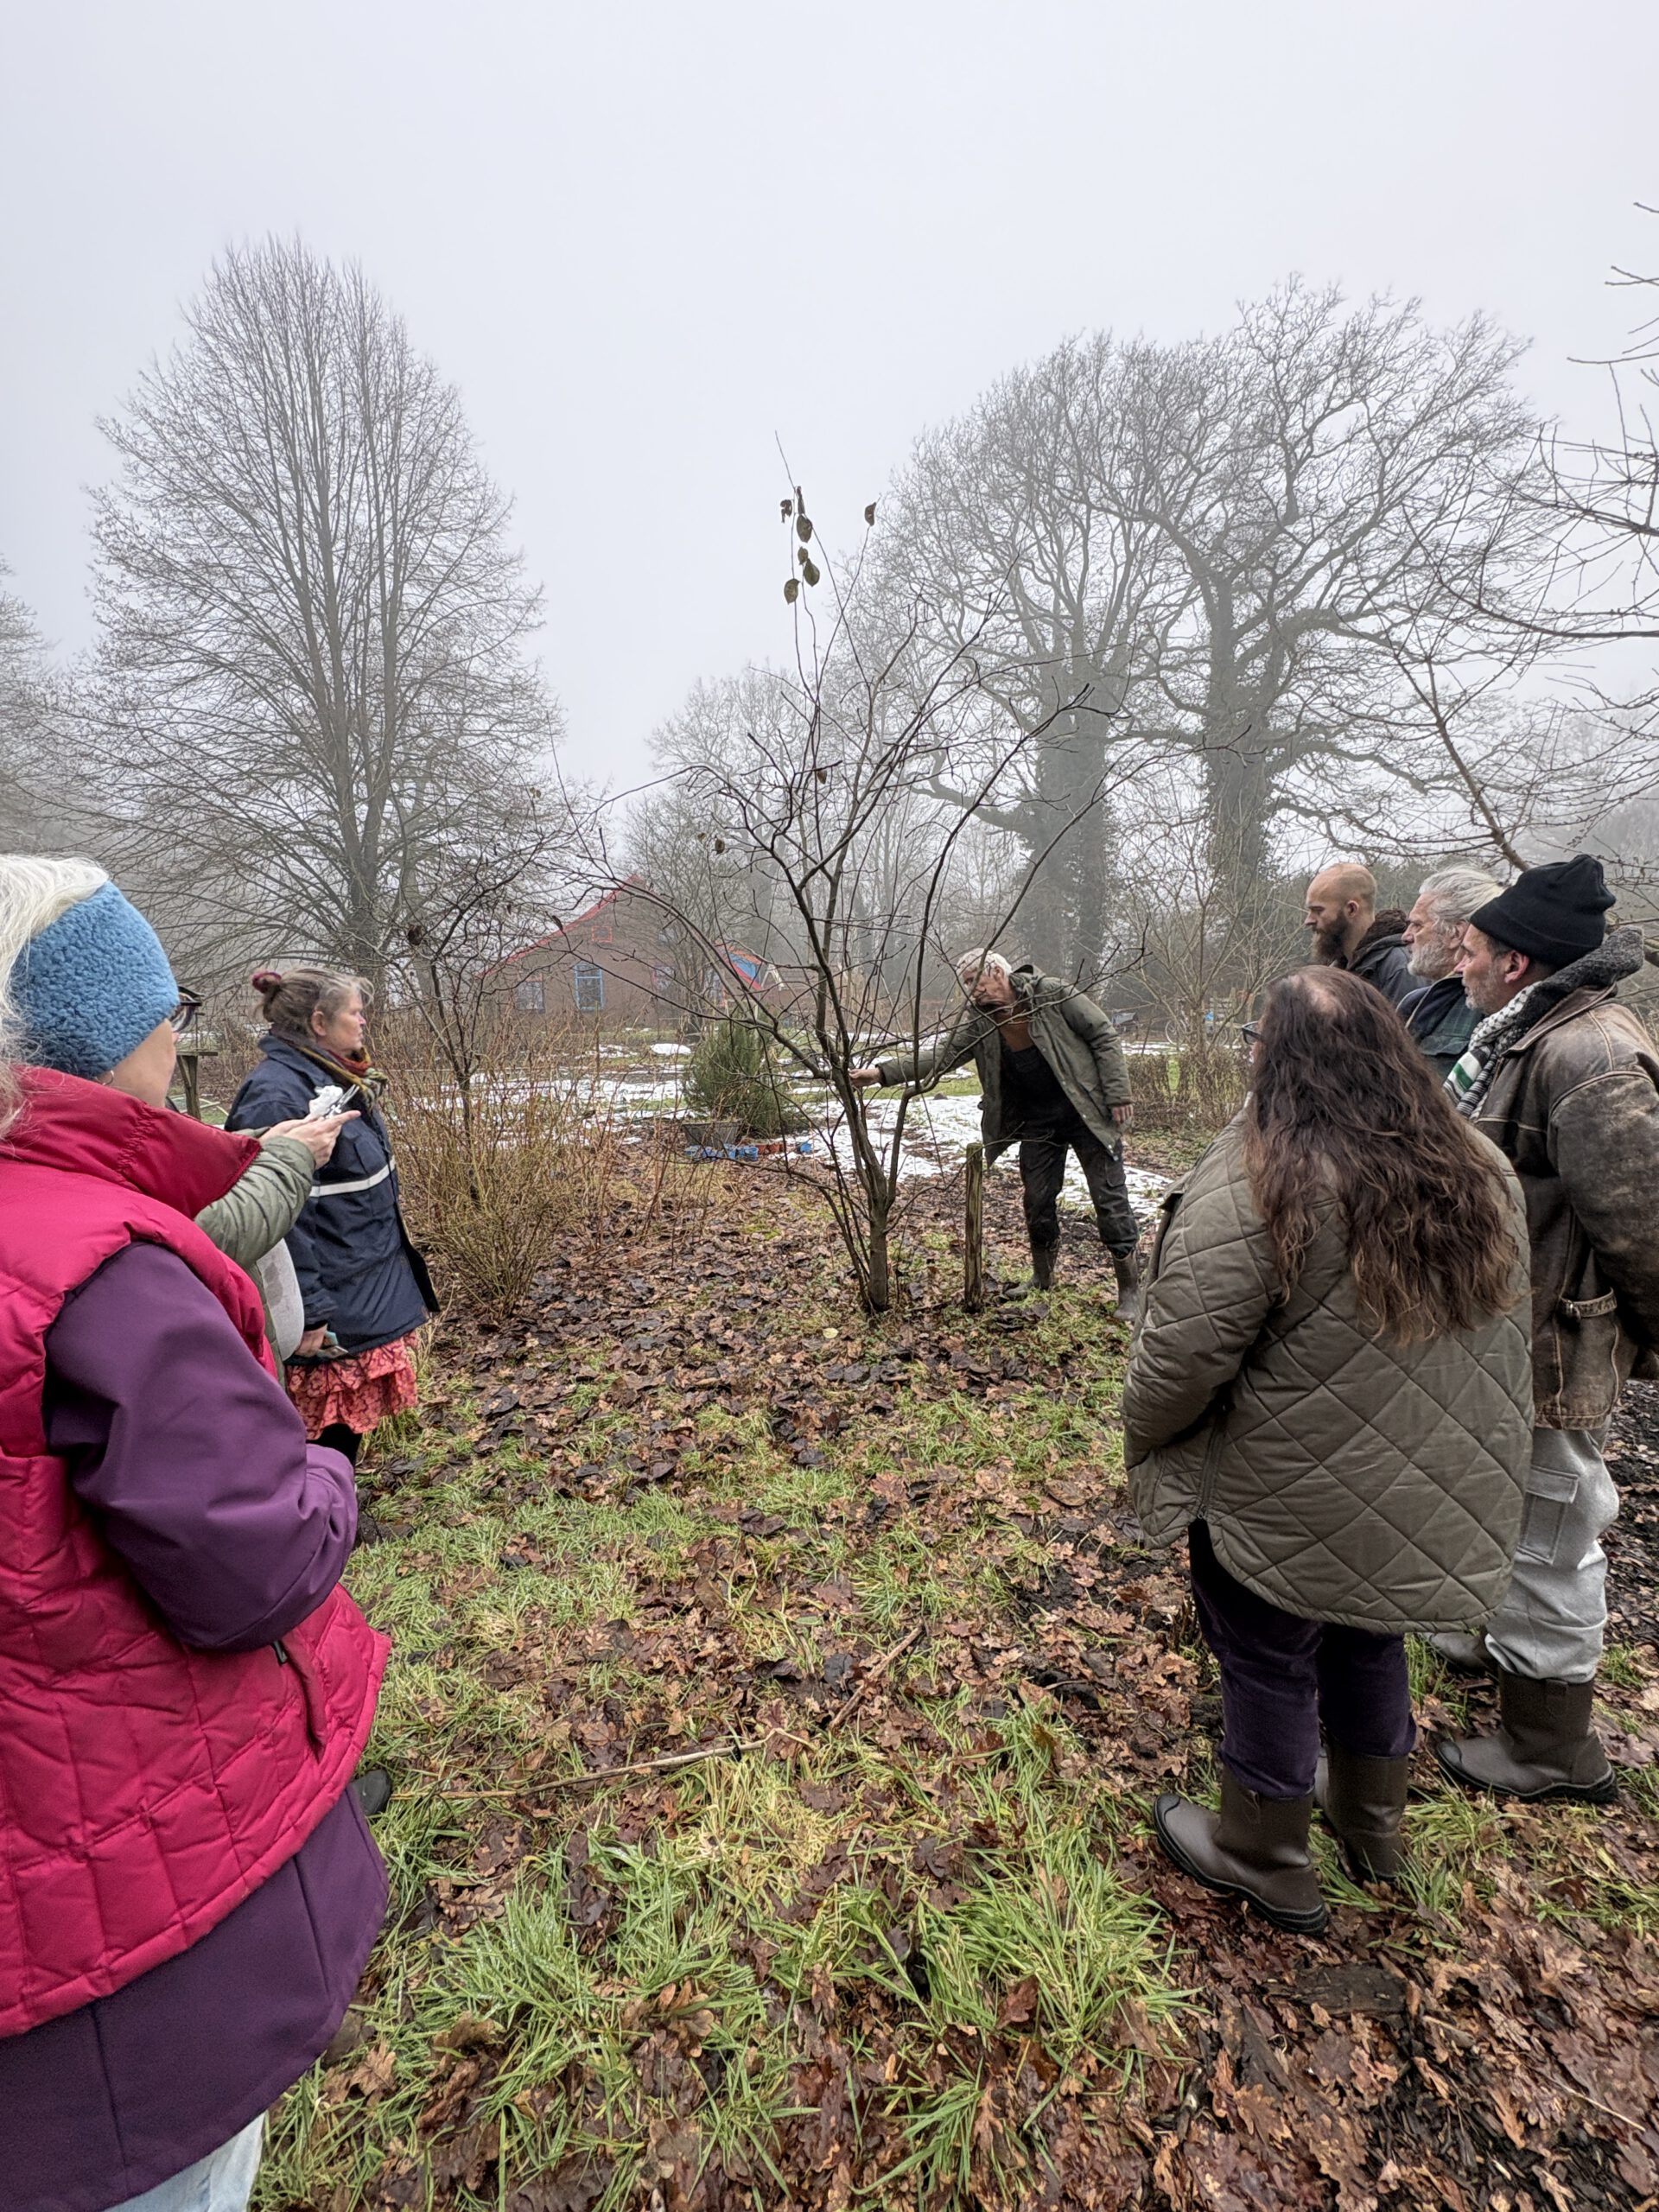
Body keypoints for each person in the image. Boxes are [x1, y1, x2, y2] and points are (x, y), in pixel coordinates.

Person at [0, 855, 387, 2212]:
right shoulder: (91, 1261)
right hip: (114, 1933)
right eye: (163, 1005)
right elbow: (252, 1553)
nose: (184, 1027)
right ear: (115, 1035)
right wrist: (328, 1476)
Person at [1122, 968, 1532, 1933]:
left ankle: (1264, 1846)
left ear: (1276, 1058)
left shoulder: (1263, 1175)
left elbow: (1183, 1356)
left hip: (1285, 1488)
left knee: (1268, 1650)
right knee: (1368, 1632)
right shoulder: (1479, 1166)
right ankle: (1371, 1823)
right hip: (1423, 1490)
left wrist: (1147, 1432)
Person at [1434, 854, 1659, 1804]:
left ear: (1517, 963)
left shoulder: (1592, 1055)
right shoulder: (1531, 1031)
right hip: (1511, 1327)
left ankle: (1551, 1743)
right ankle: (1503, 1652)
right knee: (1513, 1503)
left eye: (1473, 949)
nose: (1460, 963)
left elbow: (1643, 1218)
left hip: (1555, 1337)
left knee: (1556, 1522)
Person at [850, 949, 1141, 1311]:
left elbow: (1102, 1034)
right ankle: (1042, 1279)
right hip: (1037, 1122)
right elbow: (942, 1056)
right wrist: (881, 1073)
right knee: (1037, 1200)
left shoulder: (1050, 994)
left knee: (1109, 1201)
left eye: (975, 980)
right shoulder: (980, 1021)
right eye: (966, 984)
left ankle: (1130, 1290)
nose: (971, 990)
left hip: (1087, 1114)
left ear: (997, 972)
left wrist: (1118, 1094)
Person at [228, 966, 437, 1467]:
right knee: (318, 1431)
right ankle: (320, 1532)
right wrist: (308, 1310)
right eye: (354, 1012)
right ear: (319, 1022)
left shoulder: (333, 1076)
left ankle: (334, 1519)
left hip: (357, 1280)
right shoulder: (276, 1094)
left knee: (340, 1430)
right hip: (328, 1298)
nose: (364, 1021)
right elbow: (276, 1216)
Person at [1397, 865, 1503, 1081]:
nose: (1406, 937)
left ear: (1455, 933)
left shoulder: (1495, 1002)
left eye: (1417, 925)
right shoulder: (1417, 1001)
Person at [1303, 862, 1415, 1007]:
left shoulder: (1399, 967)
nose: (1308, 921)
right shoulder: (1335, 970)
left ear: (1351, 909)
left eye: (1318, 911)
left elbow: (1406, 1028)